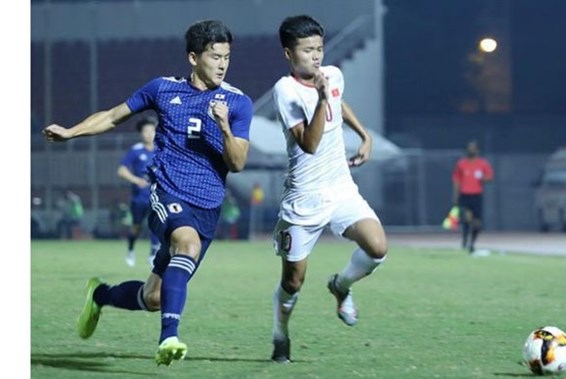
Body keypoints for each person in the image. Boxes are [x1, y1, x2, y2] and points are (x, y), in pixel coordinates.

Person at [42, 19, 253, 366]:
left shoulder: (237, 102)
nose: (222, 64)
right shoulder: (162, 89)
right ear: (193, 57)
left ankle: (101, 295)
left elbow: (238, 162)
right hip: (166, 191)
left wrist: (225, 127)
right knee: (187, 244)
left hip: (209, 204)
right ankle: (168, 338)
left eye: (227, 57)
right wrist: (70, 132)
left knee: (153, 296)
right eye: (215, 56)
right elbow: (113, 116)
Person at [269, 15, 388, 363]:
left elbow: (338, 100)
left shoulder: (333, 75)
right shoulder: (285, 90)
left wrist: (364, 134)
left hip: (340, 189)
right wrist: (321, 99)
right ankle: (281, 334)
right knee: (293, 282)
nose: (316, 56)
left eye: (319, 48)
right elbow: (308, 143)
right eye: (307, 50)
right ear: (289, 53)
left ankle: (340, 285)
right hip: (303, 199)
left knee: (377, 247)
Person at [117, 116, 160, 267]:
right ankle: (130, 249)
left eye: (151, 131)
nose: (148, 134)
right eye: (145, 131)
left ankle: (153, 253)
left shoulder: (162, 149)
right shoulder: (135, 151)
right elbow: (121, 170)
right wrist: (137, 180)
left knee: (156, 223)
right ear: (141, 133)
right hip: (139, 197)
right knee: (136, 226)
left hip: (157, 195)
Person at [451, 140, 494, 254]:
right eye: (469, 148)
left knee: (477, 223)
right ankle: (465, 239)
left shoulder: (483, 164)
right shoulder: (461, 164)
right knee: (467, 218)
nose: (471, 150)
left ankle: (472, 243)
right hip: (465, 195)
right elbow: (456, 180)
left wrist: (483, 178)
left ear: (477, 150)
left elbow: (490, 177)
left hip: (476, 195)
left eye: (473, 148)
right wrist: (455, 195)